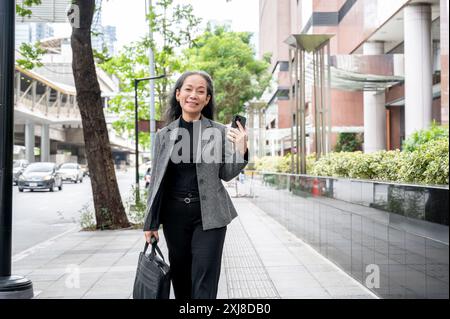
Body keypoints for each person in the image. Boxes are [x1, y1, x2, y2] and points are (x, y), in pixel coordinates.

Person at [142, 70, 248, 299]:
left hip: (210, 216)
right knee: (180, 278)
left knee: (205, 281)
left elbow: (227, 174)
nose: (194, 95)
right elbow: (157, 180)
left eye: (201, 91)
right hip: (174, 216)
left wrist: (241, 148)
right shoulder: (164, 135)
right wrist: (150, 222)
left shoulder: (220, 132)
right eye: (188, 89)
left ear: (207, 99)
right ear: (178, 95)